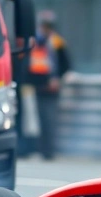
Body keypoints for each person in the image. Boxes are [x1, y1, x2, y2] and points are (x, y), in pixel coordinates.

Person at [26, 10, 69, 160]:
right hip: (38, 86)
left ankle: (49, 151)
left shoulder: (57, 42)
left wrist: (57, 79)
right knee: (39, 120)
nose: (47, 29)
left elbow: (65, 65)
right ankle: (40, 149)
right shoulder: (35, 42)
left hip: (52, 87)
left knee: (50, 119)